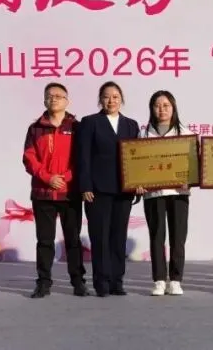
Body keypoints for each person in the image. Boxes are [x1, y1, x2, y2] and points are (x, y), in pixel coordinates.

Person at [22, 82, 88, 298]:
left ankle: (78, 282)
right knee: (45, 241)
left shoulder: (77, 127)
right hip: (43, 193)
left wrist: (66, 177)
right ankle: (43, 283)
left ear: (67, 101)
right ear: (44, 101)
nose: (54, 99)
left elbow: (82, 159)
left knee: (73, 240)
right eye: (49, 96)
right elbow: (29, 158)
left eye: (59, 96)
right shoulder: (35, 128)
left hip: (70, 193)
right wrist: (47, 178)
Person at [76, 81, 139, 297]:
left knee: (118, 237)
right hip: (97, 190)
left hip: (124, 190)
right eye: (106, 96)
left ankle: (116, 281)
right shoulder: (90, 122)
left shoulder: (131, 125)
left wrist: (138, 183)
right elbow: (83, 156)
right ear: (100, 100)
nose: (111, 101)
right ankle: (101, 283)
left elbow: (137, 158)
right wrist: (85, 185)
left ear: (121, 99)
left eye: (115, 96)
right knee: (100, 237)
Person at [137, 90, 190, 297]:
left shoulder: (185, 133)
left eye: (166, 105)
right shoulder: (143, 135)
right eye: (157, 106)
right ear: (151, 109)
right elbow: (137, 165)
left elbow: (193, 164)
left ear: (173, 107)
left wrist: (190, 178)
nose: (162, 110)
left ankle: (175, 280)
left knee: (178, 237)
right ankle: (159, 280)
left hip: (178, 192)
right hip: (153, 194)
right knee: (157, 236)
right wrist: (138, 183)